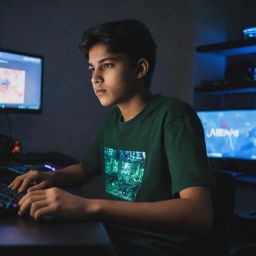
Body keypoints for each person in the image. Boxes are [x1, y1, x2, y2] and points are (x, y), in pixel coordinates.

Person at [9, 20, 215, 256]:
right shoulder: (113, 120)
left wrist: (90, 207)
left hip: (152, 246)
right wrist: (51, 176)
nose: (95, 78)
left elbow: (199, 214)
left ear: (140, 69)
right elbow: (86, 168)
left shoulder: (173, 116)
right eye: (91, 68)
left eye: (106, 66)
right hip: (110, 235)